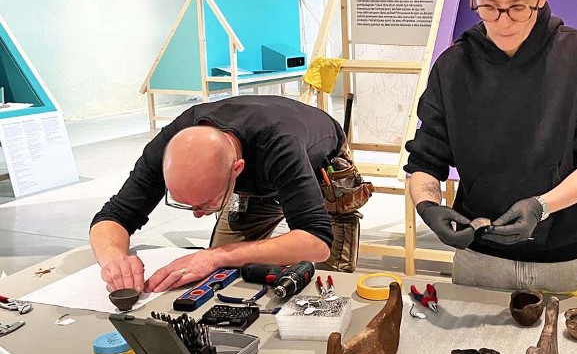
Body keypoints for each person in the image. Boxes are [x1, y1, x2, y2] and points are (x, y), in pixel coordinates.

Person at [404, 0, 577, 292]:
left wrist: (541, 206)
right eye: (489, 7)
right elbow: (426, 160)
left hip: (562, 256)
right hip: (479, 255)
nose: (502, 22)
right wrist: (428, 206)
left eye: (517, 7)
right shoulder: (454, 66)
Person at [91, 95, 370, 293]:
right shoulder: (171, 145)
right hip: (257, 175)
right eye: (186, 204)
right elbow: (114, 215)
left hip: (321, 167)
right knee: (220, 278)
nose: (198, 215)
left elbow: (316, 241)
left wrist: (216, 256)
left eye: (206, 203)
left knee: (327, 287)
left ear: (236, 171)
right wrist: (114, 259)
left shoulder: (281, 145)